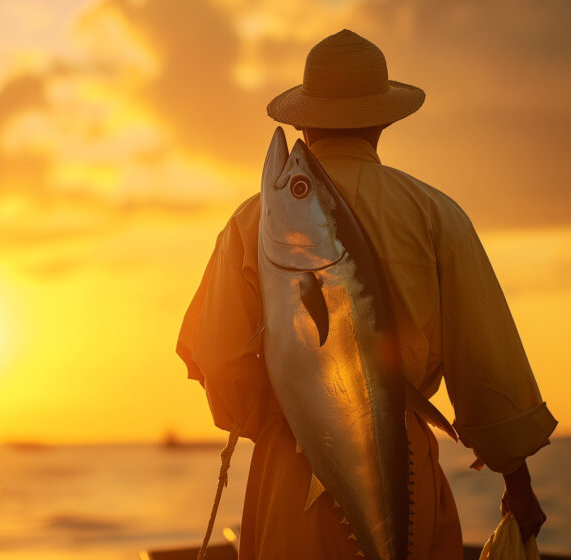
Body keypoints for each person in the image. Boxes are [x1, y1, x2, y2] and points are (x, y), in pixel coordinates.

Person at [176, 29, 557, 559]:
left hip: (288, 478)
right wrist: (517, 483)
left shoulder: (252, 220)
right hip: (405, 474)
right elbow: (488, 370)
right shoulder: (436, 215)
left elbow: (218, 358)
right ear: (383, 119)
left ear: (303, 119)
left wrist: (290, 422)